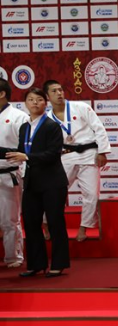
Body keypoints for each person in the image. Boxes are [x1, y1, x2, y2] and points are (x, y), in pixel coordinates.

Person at [6, 87, 69, 277]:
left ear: (45, 103)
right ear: (25, 103)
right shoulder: (24, 127)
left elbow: (52, 154)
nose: (35, 103)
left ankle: (58, 264)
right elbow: (20, 151)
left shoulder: (52, 126)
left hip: (53, 182)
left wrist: (26, 157)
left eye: (39, 99)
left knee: (55, 222)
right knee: (31, 223)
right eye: (31, 99)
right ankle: (36, 264)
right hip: (32, 182)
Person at [44, 80, 111, 242]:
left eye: (60, 90)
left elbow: (99, 128)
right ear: (47, 96)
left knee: (91, 194)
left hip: (89, 154)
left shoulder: (81, 107)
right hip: (65, 156)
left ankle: (84, 227)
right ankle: (46, 224)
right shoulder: (47, 118)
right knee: (54, 192)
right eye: (54, 91)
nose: (59, 93)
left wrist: (102, 151)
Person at [0, 79, 26, 268]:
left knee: (10, 219)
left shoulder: (19, 117)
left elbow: (25, 149)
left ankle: (14, 256)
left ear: (2, 94)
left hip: (8, 173)